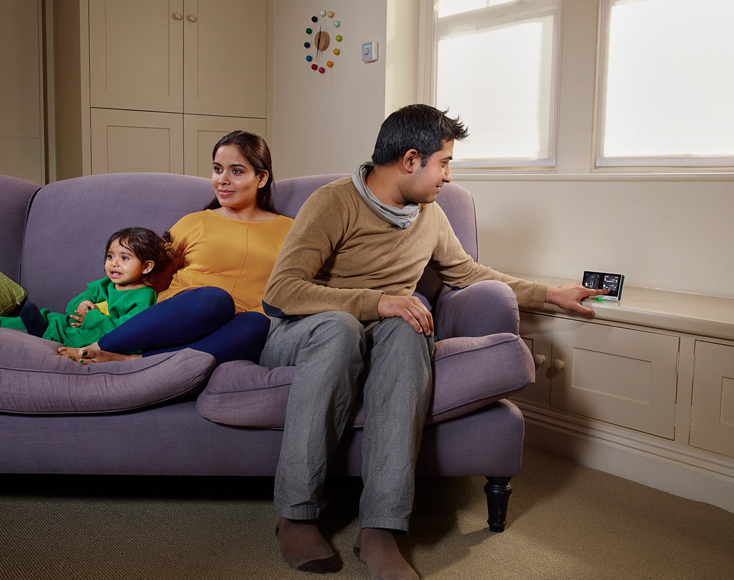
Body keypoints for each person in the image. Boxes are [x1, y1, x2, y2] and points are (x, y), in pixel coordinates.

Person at [259, 104, 609, 579]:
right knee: (342, 329)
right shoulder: (333, 202)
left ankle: (380, 528)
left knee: (411, 328)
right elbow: (280, 292)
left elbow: (469, 274)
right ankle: (296, 515)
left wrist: (549, 294)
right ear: (410, 160)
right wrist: (377, 301)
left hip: (381, 335)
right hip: (307, 333)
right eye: (444, 163)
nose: (448, 176)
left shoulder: (430, 215)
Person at [58, 131, 293, 365]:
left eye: (237, 171)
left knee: (258, 324)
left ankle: (133, 360)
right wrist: (94, 303)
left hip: (231, 333)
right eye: (217, 169)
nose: (222, 179)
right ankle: (99, 347)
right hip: (184, 318)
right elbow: (147, 276)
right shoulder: (195, 222)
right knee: (216, 299)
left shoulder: (289, 230)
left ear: (262, 178)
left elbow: (295, 285)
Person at [0, 227, 168, 349]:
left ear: (146, 267)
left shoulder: (143, 295)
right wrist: (82, 303)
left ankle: (46, 333)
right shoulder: (104, 284)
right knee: (51, 316)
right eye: (110, 256)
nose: (114, 263)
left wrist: (92, 317)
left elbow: (127, 329)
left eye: (124, 258)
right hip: (77, 322)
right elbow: (71, 307)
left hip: (103, 335)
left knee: (79, 336)